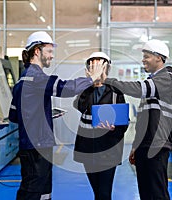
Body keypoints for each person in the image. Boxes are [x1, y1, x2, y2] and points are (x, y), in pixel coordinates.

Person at [8, 31, 104, 200]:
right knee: (31, 191)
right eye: (49, 51)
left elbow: (14, 115)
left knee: (43, 190)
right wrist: (91, 79)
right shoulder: (35, 77)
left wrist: (41, 114)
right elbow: (65, 88)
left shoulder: (22, 79)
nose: (52, 56)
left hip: (34, 144)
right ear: (37, 51)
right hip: (36, 145)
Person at [101, 39, 172, 200]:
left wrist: (107, 81)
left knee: (157, 193)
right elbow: (143, 121)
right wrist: (136, 146)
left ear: (159, 57)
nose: (143, 60)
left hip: (157, 144)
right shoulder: (153, 80)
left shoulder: (168, 76)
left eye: (147, 56)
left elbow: (139, 89)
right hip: (145, 144)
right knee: (145, 192)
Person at [73, 52, 128, 200]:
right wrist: (89, 84)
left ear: (106, 68)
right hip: (87, 149)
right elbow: (79, 106)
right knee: (97, 191)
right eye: (93, 65)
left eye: (99, 65)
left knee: (104, 193)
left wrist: (114, 128)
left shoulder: (116, 90)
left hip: (108, 149)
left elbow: (124, 121)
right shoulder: (85, 88)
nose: (96, 69)